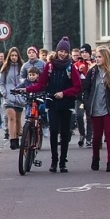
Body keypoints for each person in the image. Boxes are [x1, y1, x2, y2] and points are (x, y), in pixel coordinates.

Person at [23, 38, 83, 173]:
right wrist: (27, 89)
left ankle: (63, 161)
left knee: (65, 133)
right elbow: (41, 84)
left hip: (66, 103)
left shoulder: (70, 67)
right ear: (57, 51)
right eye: (61, 51)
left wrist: (64, 93)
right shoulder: (49, 66)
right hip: (52, 102)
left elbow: (77, 87)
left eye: (65, 52)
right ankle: (54, 160)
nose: (62, 54)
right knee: (54, 131)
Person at [0, 47, 26, 148]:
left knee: (18, 119)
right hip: (9, 97)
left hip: (20, 97)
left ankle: (17, 138)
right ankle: (12, 139)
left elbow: (26, 81)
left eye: (15, 55)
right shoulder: (5, 68)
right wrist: (5, 93)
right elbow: (1, 83)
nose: (14, 57)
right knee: (11, 118)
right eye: (12, 55)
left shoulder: (23, 67)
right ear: (9, 56)